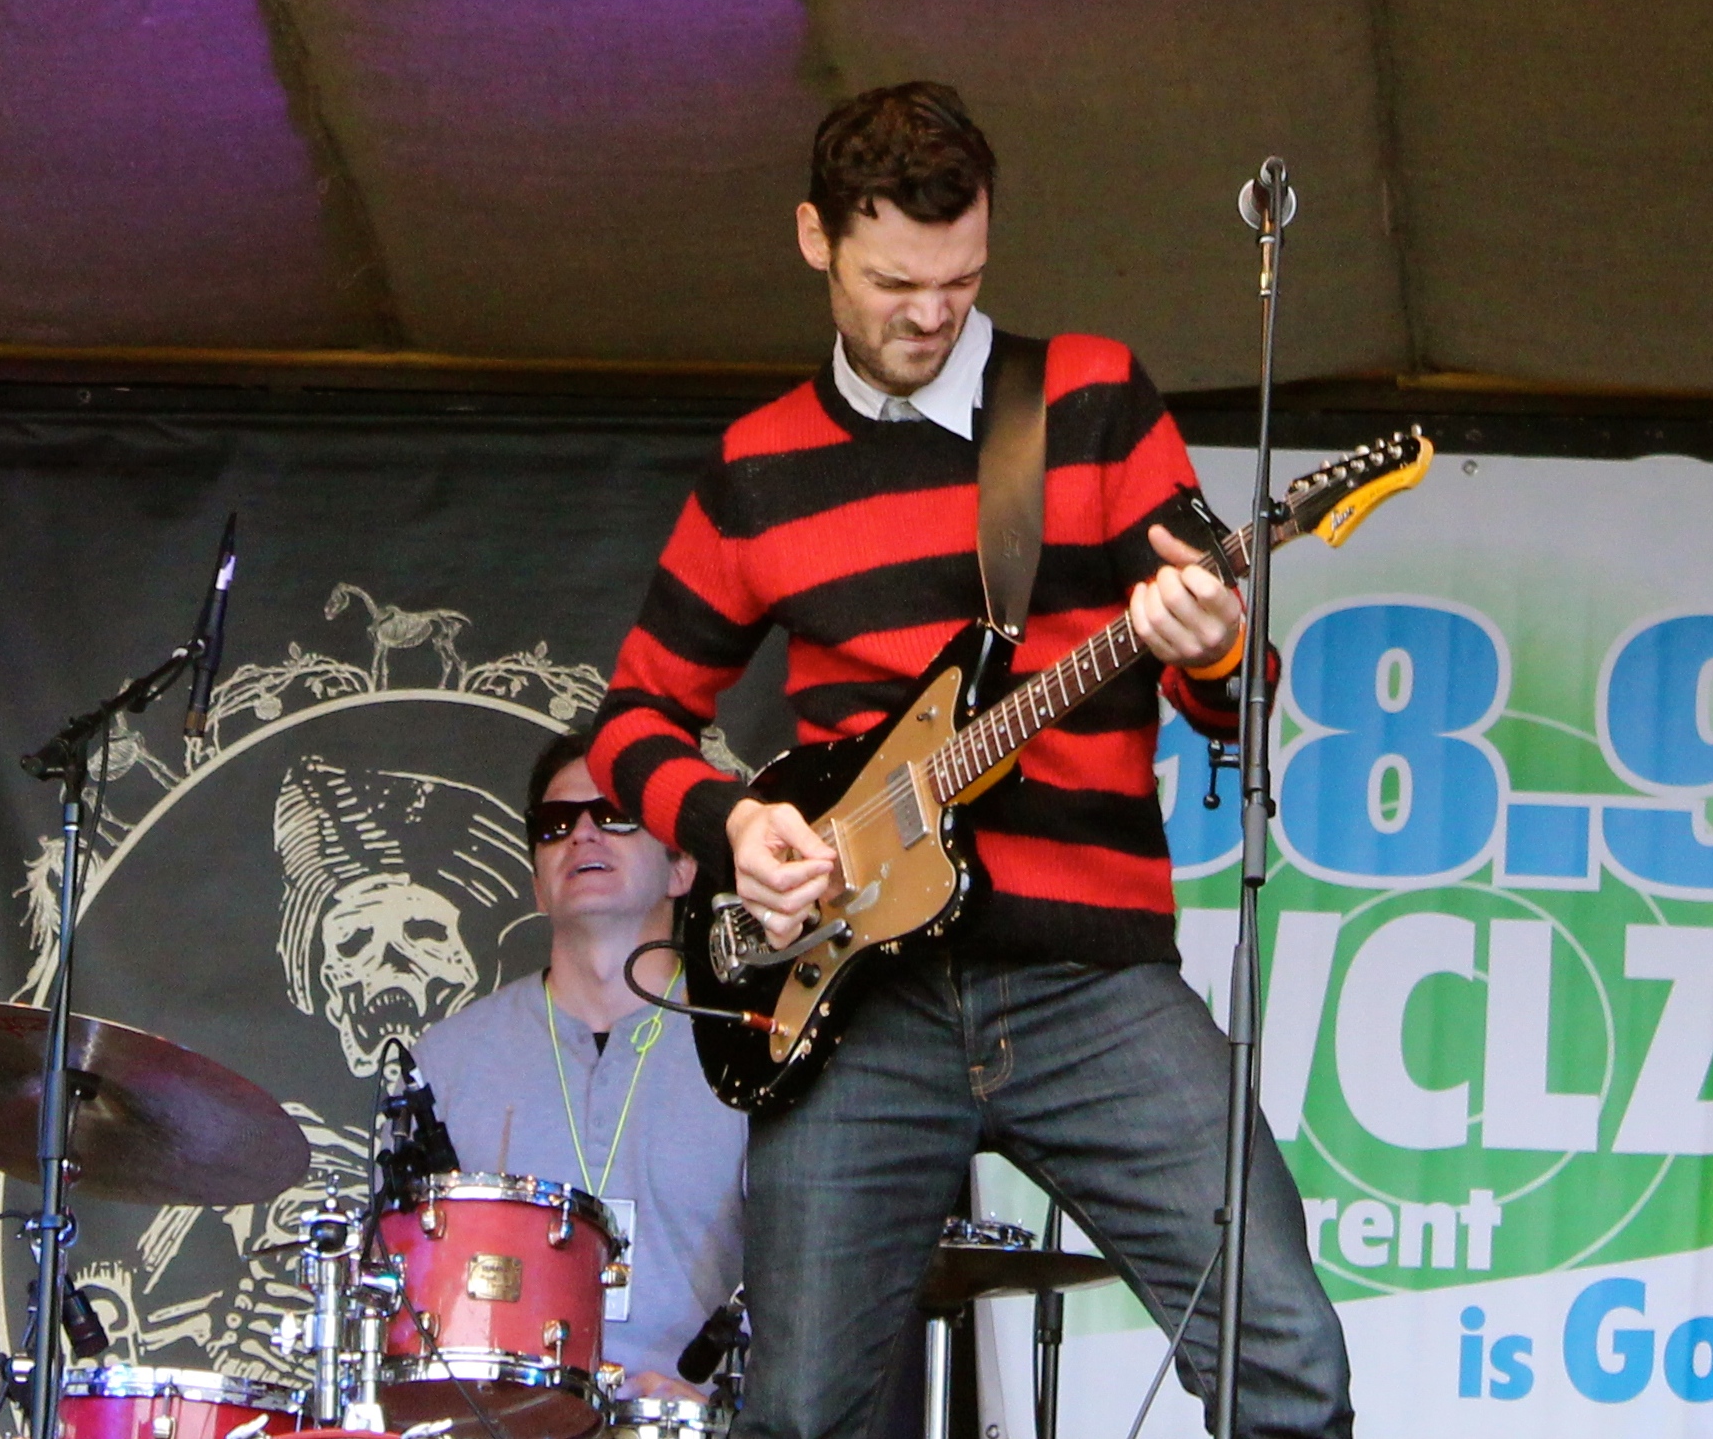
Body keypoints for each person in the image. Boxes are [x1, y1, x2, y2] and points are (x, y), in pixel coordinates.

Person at [591, 81, 1353, 1439]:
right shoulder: (758, 466)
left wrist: (1219, 646)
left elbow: (1233, 705)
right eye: (895, 282)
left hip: (1088, 979)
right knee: (800, 1413)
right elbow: (633, 716)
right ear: (816, 239)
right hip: (855, 1002)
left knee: (1282, 1353)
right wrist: (732, 826)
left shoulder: (1092, 398)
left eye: (961, 278)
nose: (931, 313)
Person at [413, 727, 749, 1395]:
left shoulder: (755, 1050)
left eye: (616, 814)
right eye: (556, 824)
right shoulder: (442, 1062)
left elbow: (814, 1296)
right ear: (538, 886)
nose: (583, 834)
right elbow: (406, 1303)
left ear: (682, 869)